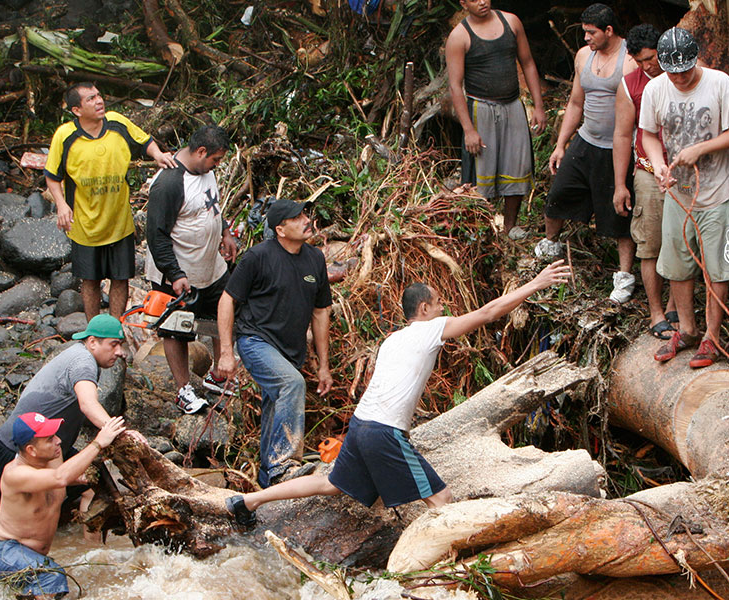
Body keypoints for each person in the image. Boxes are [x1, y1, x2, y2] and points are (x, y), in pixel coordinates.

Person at [224, 260, 573, 524]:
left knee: (330, 484)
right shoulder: (429, 329)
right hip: (383, 431)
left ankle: (248, 502)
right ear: (424, 309)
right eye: (438, 303)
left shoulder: (394, 339)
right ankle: (451, 567)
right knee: (441, 498)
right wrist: (536, 283)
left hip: (362, 425)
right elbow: (487, 312)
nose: (442, 309)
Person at [0, 314, 146, 558]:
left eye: (120, 345)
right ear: (92, 342)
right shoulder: (83, 362)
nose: (119, 352)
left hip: (52, 446)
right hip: (17, 446)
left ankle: (94, 555)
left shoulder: (84, 358)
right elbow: (88, 404)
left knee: (93, 486)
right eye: (113, 344)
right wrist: (118, 434)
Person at [638, 28, 729, 368]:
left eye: (686, 70)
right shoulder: (655, 89)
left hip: (715, 193)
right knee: (677, 265)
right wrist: (659, 166)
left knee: (717, 268)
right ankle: (686, 329)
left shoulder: (719, 83)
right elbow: (648, 136)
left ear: (695, 59)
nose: (681, 77)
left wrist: (700, 148)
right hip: (678, 194)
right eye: (673, 72)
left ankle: (711, 337)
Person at [217, 199, 333, 488]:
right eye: (296, 218)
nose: (306, 220)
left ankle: (268, 480)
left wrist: (323, 366)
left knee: (274, 406)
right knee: (291, 385)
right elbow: (227, 300)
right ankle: (284, 464)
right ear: (280, 229)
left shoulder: (315, 259)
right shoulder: (258, 257)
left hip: (291, 350)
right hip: (255, 341)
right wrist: (226, 352)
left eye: (305, 213)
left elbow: (320, 312)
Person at [45, 82, 176, 322]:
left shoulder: (117, 122)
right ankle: (94, 330)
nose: (99, 101)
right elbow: (52, 176)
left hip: (119, 221)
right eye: (90, 99)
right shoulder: (65, 136)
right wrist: (62, 205)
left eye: (99, 95)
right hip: (86, 223)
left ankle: (115, 327)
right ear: (76, 110)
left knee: (120, 277)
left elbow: (144, 141)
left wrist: (158, 155)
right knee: (90, 279)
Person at [535, 3, 638, 304]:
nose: (587, 39)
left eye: (591, 33)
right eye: (584, 33)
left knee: (619, 213)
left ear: (609, 31)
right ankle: (550, 243)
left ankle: (624, 276)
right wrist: (560, 143)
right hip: (586, 139)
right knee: (558, 194)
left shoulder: (629, 60)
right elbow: (576, 103)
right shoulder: (584, 56)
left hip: (616, 147)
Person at [0, 412, 127, 599]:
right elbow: (60, 477)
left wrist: (81, 478)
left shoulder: (48, 461)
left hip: (27, 553)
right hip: (3, 549)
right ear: (32, 450)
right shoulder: (15, 474)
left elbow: (58, 478)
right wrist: (98, 443)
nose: (58, 441)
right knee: (52, 578)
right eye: (50, 439)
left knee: (52, 581)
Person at [146, 125, 238, 414]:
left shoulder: (205, 171)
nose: (217, 165)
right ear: (200, 152)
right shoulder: (169, 183)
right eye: (216, 159)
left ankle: (218, 376)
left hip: (211, 265)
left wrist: (224, 233)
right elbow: (156, 235)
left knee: (219, 318)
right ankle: (183, 389)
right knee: (177, 330)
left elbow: (213, 207)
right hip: (177, 270)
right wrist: (175, 274)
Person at [445, 0, 546, 236]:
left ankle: (510, 226)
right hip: (481, 109)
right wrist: (469, 129)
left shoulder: (511, 22)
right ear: (463, 3)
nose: (482, 1)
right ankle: (484, 230)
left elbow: (528, 63)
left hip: (512, 105)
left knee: (518, 165)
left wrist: (538, 106)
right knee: (482, 172)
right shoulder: (459, 37)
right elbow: (455, 86)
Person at [612, 24, 677, 339]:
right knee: (650, 245)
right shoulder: (630, 85)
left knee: (682, 242)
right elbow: (623, 135)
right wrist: (620, 184)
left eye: (651, 58)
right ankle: (656, 313)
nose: (647, 66)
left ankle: (677, 307)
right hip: (648, 172)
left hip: (682, 173)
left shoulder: (682, 75)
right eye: (640, 61)